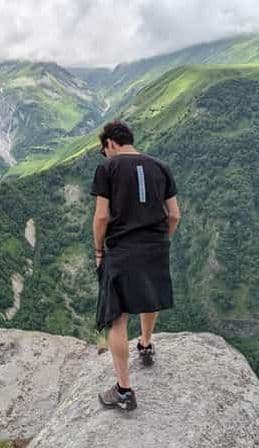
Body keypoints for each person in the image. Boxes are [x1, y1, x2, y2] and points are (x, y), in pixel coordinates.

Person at [90, 119, 181, 410]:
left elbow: (102, 217)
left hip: (122, 249)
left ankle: (124, 390)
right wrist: (159, 241)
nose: (105, 155)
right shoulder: (161, 166)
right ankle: (145, 344)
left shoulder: (107, 168)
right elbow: (175, 215)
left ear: (110, 144)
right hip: (155, 245)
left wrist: (98, 250)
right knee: (148, 296)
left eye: (104, 150)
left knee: (117, 316)